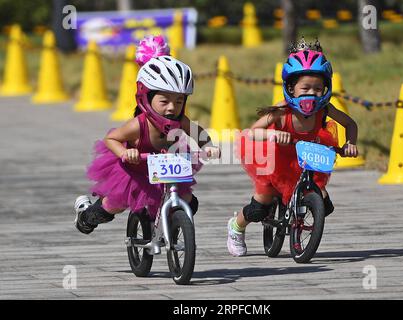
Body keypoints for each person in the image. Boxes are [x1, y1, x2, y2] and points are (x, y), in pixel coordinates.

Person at [74, 35, 219, 234]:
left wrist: (208, 146)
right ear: (147, 98)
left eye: (178, 101)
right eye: (164, 101)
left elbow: (199, 134)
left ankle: (174, 226)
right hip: (136, 171)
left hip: (168, 167)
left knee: (189, 202)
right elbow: (112, 138)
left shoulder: (180, 120)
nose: (171, 108)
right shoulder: (138, 125)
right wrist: (125, 153)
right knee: (114, 204)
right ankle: (85, 215)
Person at [227, 38, 359, 257]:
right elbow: (251, 132)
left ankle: (299, 220)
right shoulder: (282, 110)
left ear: (326, 88)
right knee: (260, 206)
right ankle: (236, 226)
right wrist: (274, 134)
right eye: (305, 88)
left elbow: (350, 124)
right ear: (291, 88)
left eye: (318, 88)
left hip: (307, 158)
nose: (311, 93)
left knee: (324, 206)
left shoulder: (324, 109)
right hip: (276, 161)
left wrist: (350, 143)